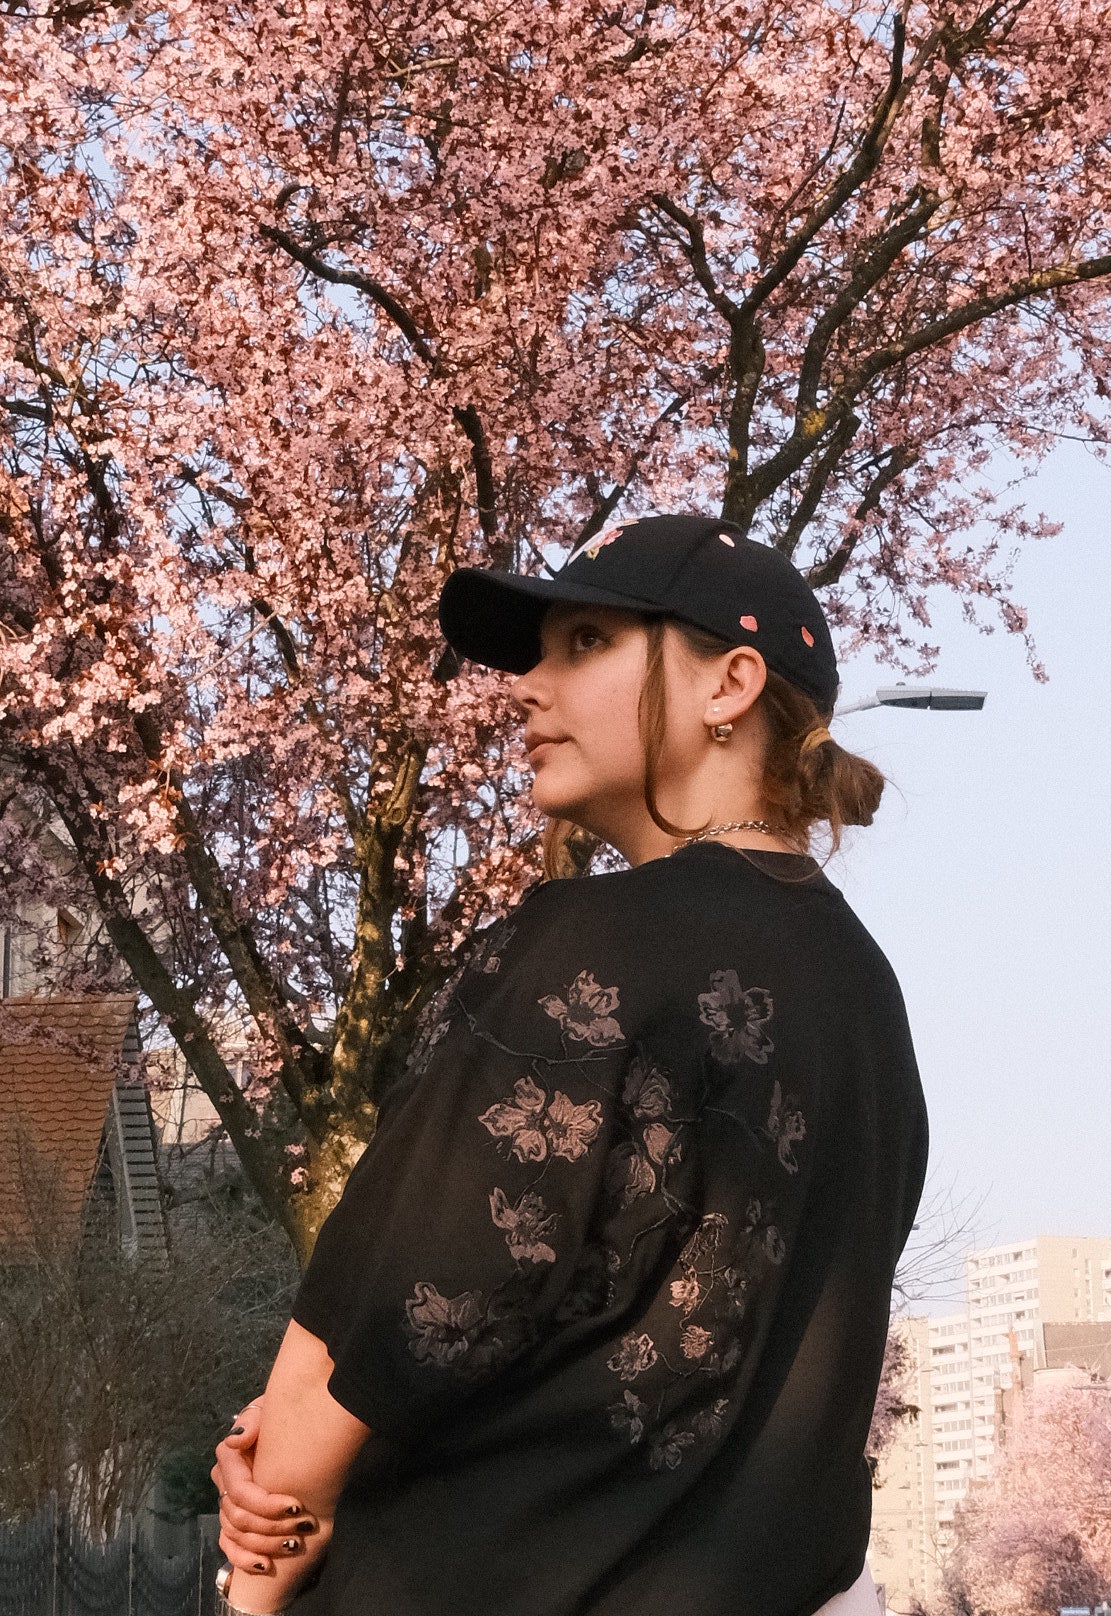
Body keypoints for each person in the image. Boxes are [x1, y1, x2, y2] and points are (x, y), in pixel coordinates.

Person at [210, 512, 929, 1616]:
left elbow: (407, 1301)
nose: (527, 688)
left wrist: (266, 1548)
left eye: (586, 642)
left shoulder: (588, 944)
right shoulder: (870, 997)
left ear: (730, 684)